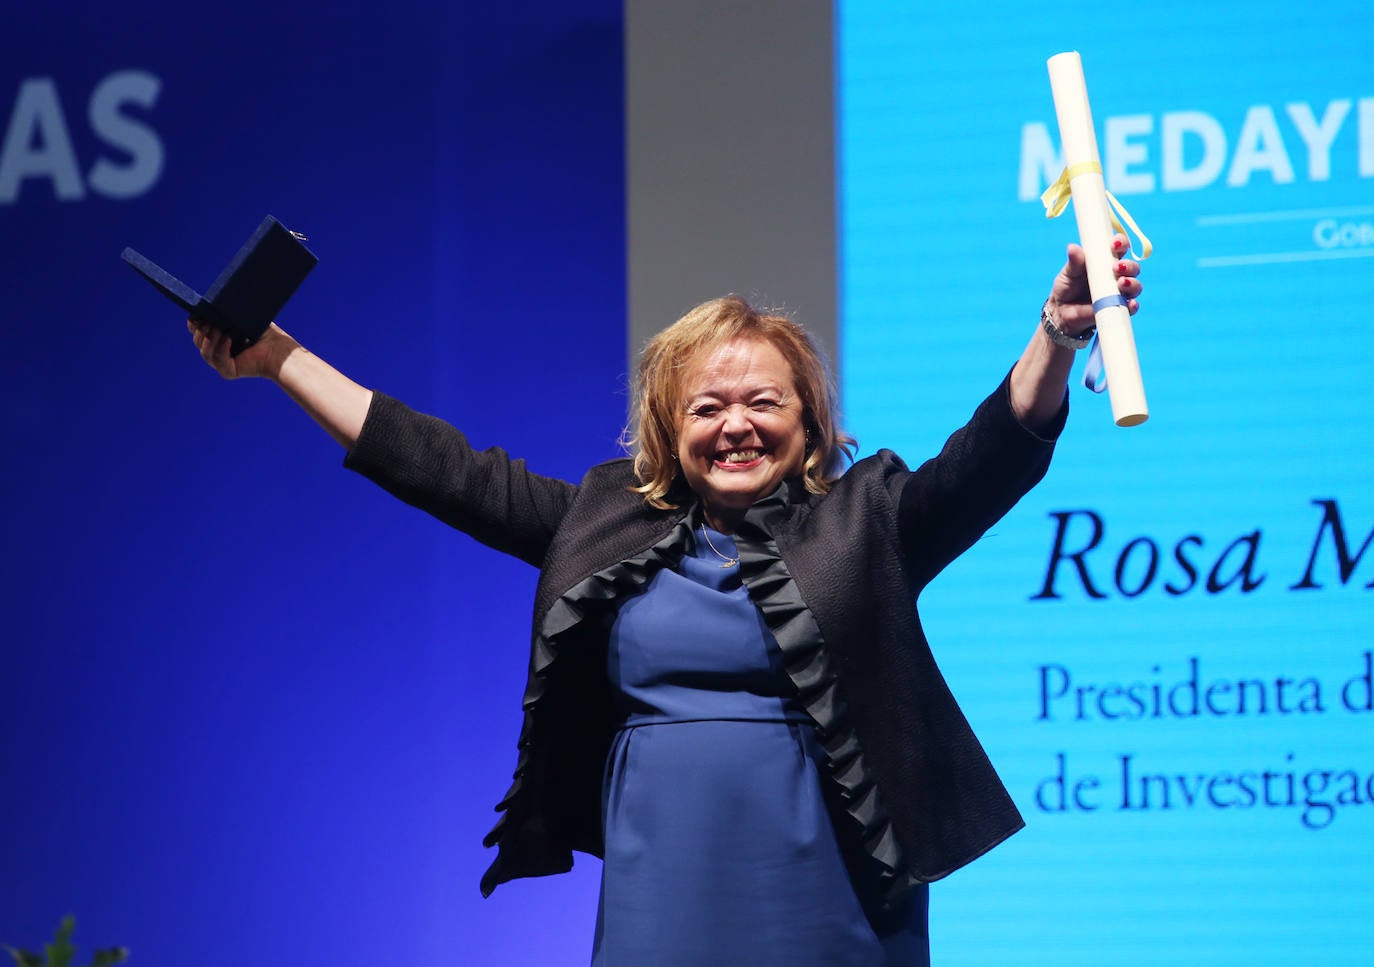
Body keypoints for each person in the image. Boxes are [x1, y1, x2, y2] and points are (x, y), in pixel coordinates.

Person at [188, 235, 1143, 965]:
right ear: (666, 428)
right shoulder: (605, 520)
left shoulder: (869, 519)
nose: (737, 425)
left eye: (765, 402)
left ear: (809, 423)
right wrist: (278, 356)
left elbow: (986, 460)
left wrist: (1057, 335)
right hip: (667, 883)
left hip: (833, 887)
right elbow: (441, 469)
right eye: (707, 406)